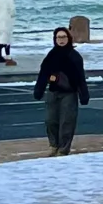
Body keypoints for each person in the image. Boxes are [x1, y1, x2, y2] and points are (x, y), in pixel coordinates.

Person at [32, 26, 89, 156]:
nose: (61, 40)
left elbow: (80, 77)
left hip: (69, 94)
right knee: (50, 120)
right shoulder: (51, 55)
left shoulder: (75, 56)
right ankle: (54, 145)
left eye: (63, 37)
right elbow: (43, 74)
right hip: (53, 93)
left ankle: (63, 149)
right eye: (58, 37)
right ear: (55, 39)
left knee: (67, 122)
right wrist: (38, 90)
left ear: (68, 38)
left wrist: (84, 95)